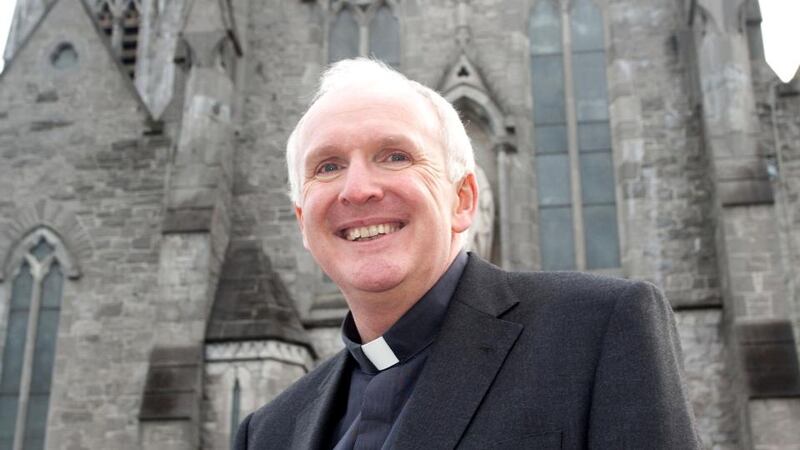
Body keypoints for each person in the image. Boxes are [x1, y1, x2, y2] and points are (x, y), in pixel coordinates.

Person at [235, 58, 701, 450]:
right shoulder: (268, 431)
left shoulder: (600, 330)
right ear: (302, 221)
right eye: (328, 166)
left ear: (463, 200)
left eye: (395, 156)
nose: (357, 190)